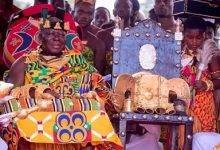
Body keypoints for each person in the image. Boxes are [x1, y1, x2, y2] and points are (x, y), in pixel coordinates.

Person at [4, 16, 121, 150]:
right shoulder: (24, 63)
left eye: (61, 34)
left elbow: (98, 82)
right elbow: (9, 97)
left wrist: (95, 92)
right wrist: (38, 90)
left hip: (77, 126)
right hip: (37, 131)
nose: (57, 38)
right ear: (40, 38)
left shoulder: (77, 59)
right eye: (50, 34)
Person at [180, 16, 220, 148]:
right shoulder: (177, 53)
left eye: (198, 38)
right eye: (189, 37)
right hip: (182, 106)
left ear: (204, 36)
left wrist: (206, 84)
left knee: (201, 140)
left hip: (204, 107)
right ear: (183, 34)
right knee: (180, 140)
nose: (194, 42)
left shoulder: (211, 55)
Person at [73, 0, 106, 75]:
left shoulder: (98, 44)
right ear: (73, 13)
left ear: (92, 17)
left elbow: (98, 74)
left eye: (89, 13)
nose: (84, 16)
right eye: (80, 12)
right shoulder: (60, 38)